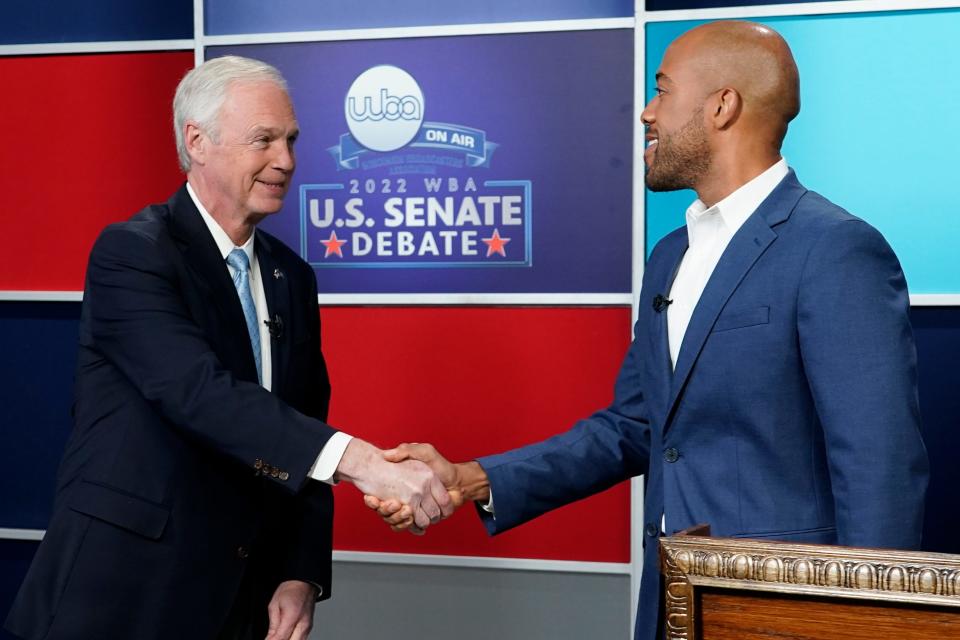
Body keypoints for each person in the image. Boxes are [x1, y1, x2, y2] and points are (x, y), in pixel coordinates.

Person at [366, 20, 929, 640]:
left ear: (722, 106)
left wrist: (875, 625)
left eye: (662, 90)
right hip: (673, 607)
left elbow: (880, 467)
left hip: (785, 615)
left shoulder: (836, 249)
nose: (645, 112)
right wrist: (473, 478)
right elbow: (634, 428)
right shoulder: (669, 255)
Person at [5, 56, 452, 640]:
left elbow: (300, 426)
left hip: (241, 601)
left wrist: (301, 573)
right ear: (198, 141)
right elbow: (199, 393)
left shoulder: (292, 276)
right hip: (124, 594)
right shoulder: (132, 253)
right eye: (263, 140)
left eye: (290, 140)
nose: (286, 161)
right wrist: (366, 465)